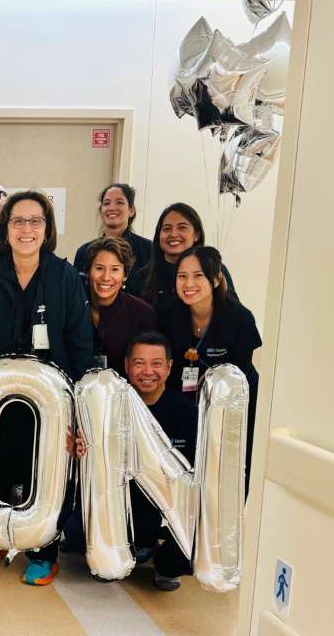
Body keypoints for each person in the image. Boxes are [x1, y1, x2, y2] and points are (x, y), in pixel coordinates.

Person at [0, 190, 94, 585]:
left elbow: (81, 343)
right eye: (18, 221)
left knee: (44, 470)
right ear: (5, 228)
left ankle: (43, 549)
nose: (26, 229)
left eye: (35, 221)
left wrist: (81, 410)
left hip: (51, 403)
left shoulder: (63, 276)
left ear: (47, 229)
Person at [158, 246, 261, 489]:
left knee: (227, 473)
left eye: (198, 275)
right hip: (186, 397)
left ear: (215, 279)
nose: (188, 283)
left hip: (233, 406)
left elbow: (240, 374)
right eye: (182, 276)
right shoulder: (169, 313)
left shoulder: (239, 318)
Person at [123, 332, 198, 591]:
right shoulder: (115, 408)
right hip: (129, 502)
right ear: (127, 366)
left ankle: (166, 561)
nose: (147, 371)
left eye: (156, 363)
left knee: (183, 555)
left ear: (169, 367)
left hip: (173, 504)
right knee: (77, 532)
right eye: (139, 363)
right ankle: (137, 545)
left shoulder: (188, 413)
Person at [128, 203, 237, 305]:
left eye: (182, 228)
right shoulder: (142, 277)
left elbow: (233, 317)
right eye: (167, 229)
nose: (173, 234)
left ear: (197, 235)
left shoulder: (213, 270)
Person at [84, 237, 157, 376]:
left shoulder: (143, 313)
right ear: (88, 271)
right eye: (99, 268)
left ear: (125, 275)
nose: (106, 277)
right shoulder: (72, 306)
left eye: (115, 269)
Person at [73, 184, 152, 279]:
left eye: (119, 202)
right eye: (106, 203)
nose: (112, 208)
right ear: (101, 210)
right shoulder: (84, 251)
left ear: (131, 211)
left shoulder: (148, 250)